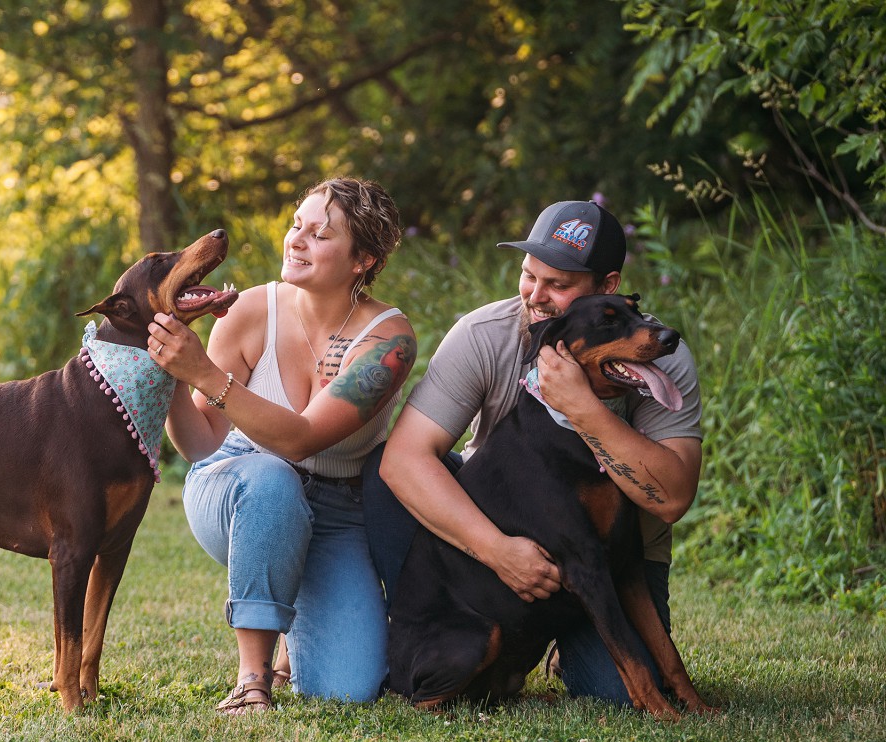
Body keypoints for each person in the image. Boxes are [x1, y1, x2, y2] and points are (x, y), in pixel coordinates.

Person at [365, 199, 702, 706]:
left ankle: (563, 646)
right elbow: (402, 459)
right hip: (503, 528)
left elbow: (672, 499)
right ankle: (421, 634)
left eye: (559, 285)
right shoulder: (484, 334)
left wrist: (584, 408)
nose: (536, 297)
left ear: (607, 287)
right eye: (529, 275)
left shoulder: (656, 356)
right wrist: (497, 551)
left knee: (609, 693)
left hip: (618, 553)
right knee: (384, 476)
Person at [148, 177, 416, 714]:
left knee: (349, 687)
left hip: (339, 507)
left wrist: (203, 372)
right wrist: (177, 376)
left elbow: (302, 437)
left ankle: (301, 630)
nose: (297, 240)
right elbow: (200, 443)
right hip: (238, 485)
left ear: (362, 258)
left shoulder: (389, 342)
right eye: (297, 225)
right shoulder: (250, 310)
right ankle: (253, 679)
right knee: (271, 477)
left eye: (320, 234)